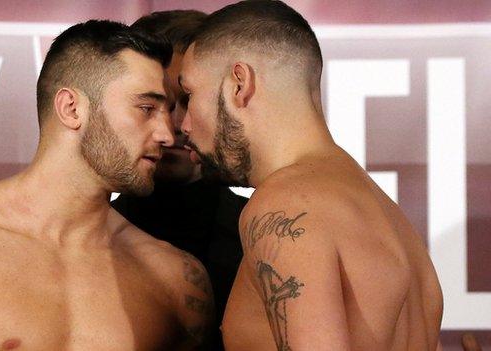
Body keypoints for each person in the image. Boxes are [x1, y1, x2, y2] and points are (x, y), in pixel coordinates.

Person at [0, 20, 213, 350]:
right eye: (146, 108)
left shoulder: (176, 278)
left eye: (168, 111)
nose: (168, 134)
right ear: (71, 108)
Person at [178, 1, 443, 350]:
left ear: (238, 84)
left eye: (189, 95)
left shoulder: (286, 203)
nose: (182, 126)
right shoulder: (390, 218)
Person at [111, 10, 247, 351]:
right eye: (151, 104)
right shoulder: (87, 238)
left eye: (188, 99)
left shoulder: (263, 237)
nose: (173, 126)